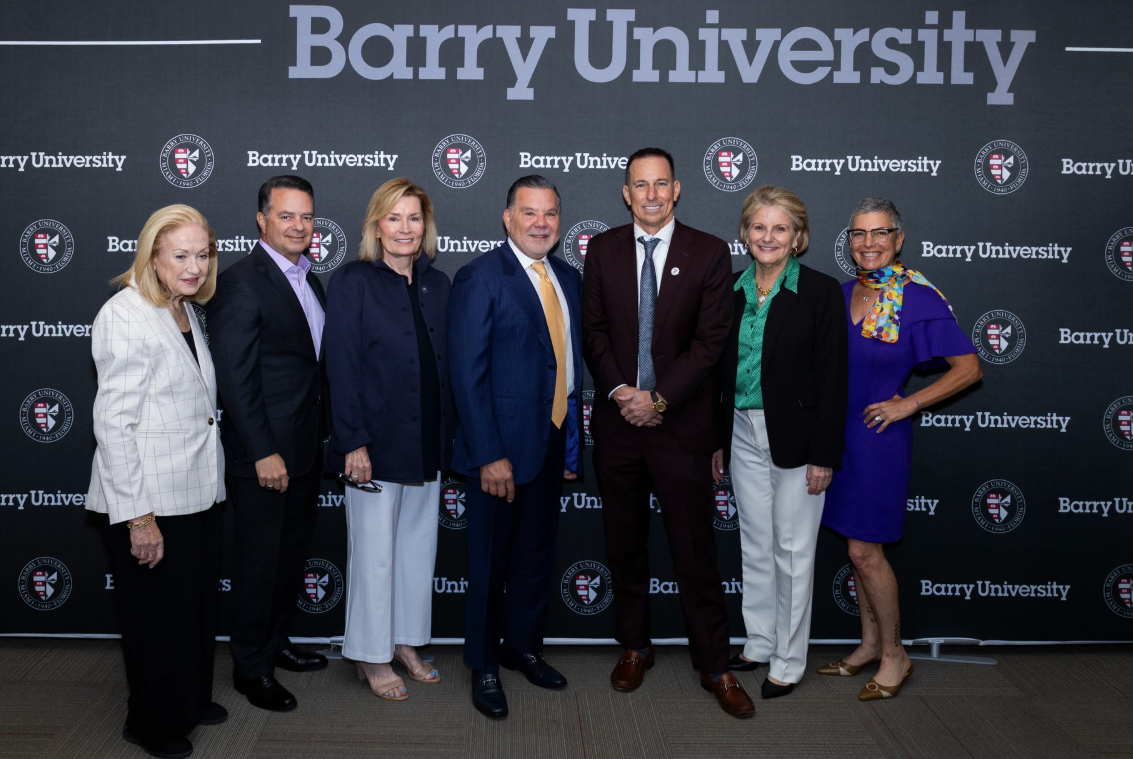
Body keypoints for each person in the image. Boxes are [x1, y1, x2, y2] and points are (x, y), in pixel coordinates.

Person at [581, 148, 754, 718]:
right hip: (618, 423)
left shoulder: (708, 252)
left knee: (694, 552)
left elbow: (711, 344)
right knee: (624, 546)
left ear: (676, 190)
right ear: (626, 193)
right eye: (640, 185)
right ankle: (635, 647)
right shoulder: (602, 249)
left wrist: (657, 399)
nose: (651, 195)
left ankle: (715, 664)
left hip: (680, 426)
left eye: (661, 184)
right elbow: (594, 333)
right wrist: (623, 396)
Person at [817, 197, 981, 700]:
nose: (869, 244)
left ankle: (895, 654)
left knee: (866, 551)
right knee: (856, 547)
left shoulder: (918, 296)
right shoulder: (843, 292)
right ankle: (868, 645)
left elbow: (969, 369)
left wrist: (907, 405)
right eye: (859, 234)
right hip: (835, 437)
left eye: (880, 233)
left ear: (899, 239)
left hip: (877, 439)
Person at [87, 204, 227, 759]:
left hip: (196, 490)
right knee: (156, 619)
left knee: (190, 611)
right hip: (149, 499)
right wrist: (138, 517)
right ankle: (150, 722)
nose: (194, 267)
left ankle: (187, 699)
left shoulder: (186, 310)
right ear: (152, 256)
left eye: (202, 254)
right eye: (181, 255)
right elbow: (113, 425)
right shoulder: (125, 315)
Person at [448, 175, 583, 719]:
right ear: (508, 218)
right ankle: (482, 665)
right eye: (529, 213)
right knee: (490, 563)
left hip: (549, 441)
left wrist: (570, 447)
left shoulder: (569, 277)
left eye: (550, 213)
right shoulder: (481, 276)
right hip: (499, 451)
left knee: (534, 557)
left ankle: (522, 648)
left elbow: (567, 371)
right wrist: (488, 454)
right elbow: (467, 375)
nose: (541, 223)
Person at [714, 186, 848, 699]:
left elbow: (833, 379)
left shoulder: (819, 292)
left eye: (780, 228)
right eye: (758, 227)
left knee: (793, 550)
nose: (767, 237)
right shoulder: (730, 290)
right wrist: (716, 440)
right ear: (745, 233)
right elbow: (719, 377)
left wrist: (824, 454)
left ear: (798, 237)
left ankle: (789, 660)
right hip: (741, 432)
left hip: (797, 439)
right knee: (756, 543)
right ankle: (760, 642)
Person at [323, 178, 452, 701]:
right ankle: (370, 655)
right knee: (374, 555)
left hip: (428, 442)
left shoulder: (438, 284)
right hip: (372, 445)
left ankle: (404, 643)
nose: (405, 228)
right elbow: (341, 365)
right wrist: (352, 441)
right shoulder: (352, 280)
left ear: (427, 225)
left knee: (417, 551)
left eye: (414, 218)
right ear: (377, 225)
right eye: (394, 218)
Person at [206, 175, 330, 712]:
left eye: (306, 217)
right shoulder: (240, 282)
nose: (298, 226)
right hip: (265, 456)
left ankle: (276, 644)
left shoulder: (310, 278)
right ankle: (250, 669)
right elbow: (235, 380)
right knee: (258, 566)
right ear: (262, 220)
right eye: (286, 216)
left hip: (305, 450)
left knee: (289, 560)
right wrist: (262, 451)